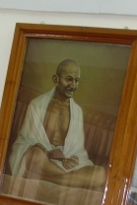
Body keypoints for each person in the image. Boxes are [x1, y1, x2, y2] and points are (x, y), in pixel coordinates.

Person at [9, 59, 106, 189]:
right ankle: (69, 180)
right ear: (56, 79)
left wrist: (73, 159)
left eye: (77, 80)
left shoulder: (77, 111)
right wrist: (49, 154)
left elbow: (77, 150)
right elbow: (26, 142)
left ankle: (47, 178)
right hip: (44, 160)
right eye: (69, 79)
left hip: (64, 163)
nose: (73, 85)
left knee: (100, 173)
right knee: (34, 155)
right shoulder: (37, 105)